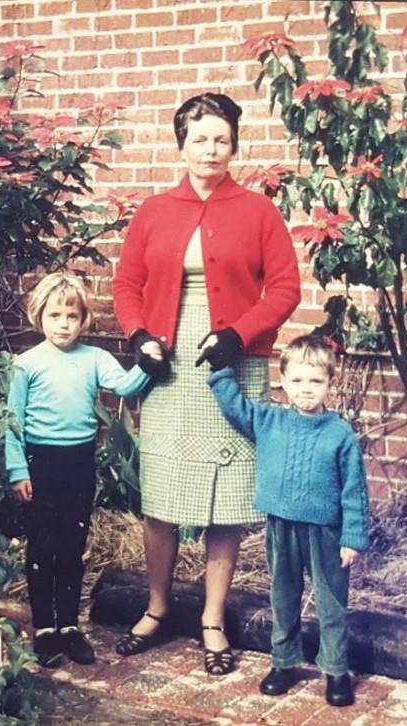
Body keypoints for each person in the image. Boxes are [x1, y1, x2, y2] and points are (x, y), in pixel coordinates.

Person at [112, 92, 301, 675]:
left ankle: (212, 621)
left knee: (226, 502)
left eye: (221, 139)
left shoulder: (258, 211)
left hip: (230, 363)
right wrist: (141, 334)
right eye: (200, 138)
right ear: (181, 143)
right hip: (168, 366)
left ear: (235, 144)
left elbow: (286, 288)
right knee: (162, 498)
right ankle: (156, 607)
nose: (210, 150)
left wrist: (239, 335)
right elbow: (127, 285)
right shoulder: (154, 210)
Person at [205, 334, 370, 707]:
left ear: (331, 381)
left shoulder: (339, 434)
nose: (306, 389)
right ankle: (284, 662)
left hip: (325, 532)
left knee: (331, 603)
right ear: (282, 380)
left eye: (316, 381)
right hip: (281, 527)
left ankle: (336, 670)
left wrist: (353, 537)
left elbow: (355, 490)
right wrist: (220, 372)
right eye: (297, 380)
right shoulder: (269, 420)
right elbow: (236, 408)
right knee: (283, 597)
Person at [5, 271, 156, 668]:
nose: (63, 324)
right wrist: (18, 470)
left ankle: (69, 626)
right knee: (42, 545)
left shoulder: (95, 359)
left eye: (71, 316)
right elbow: (11, 421)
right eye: (55, 315)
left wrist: (148, 362)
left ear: (83, 319)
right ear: (39, 317)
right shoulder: (26, 364)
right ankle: (44, 629)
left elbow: (125, 387)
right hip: (40, 462)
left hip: (78, 461)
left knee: (73, 545)